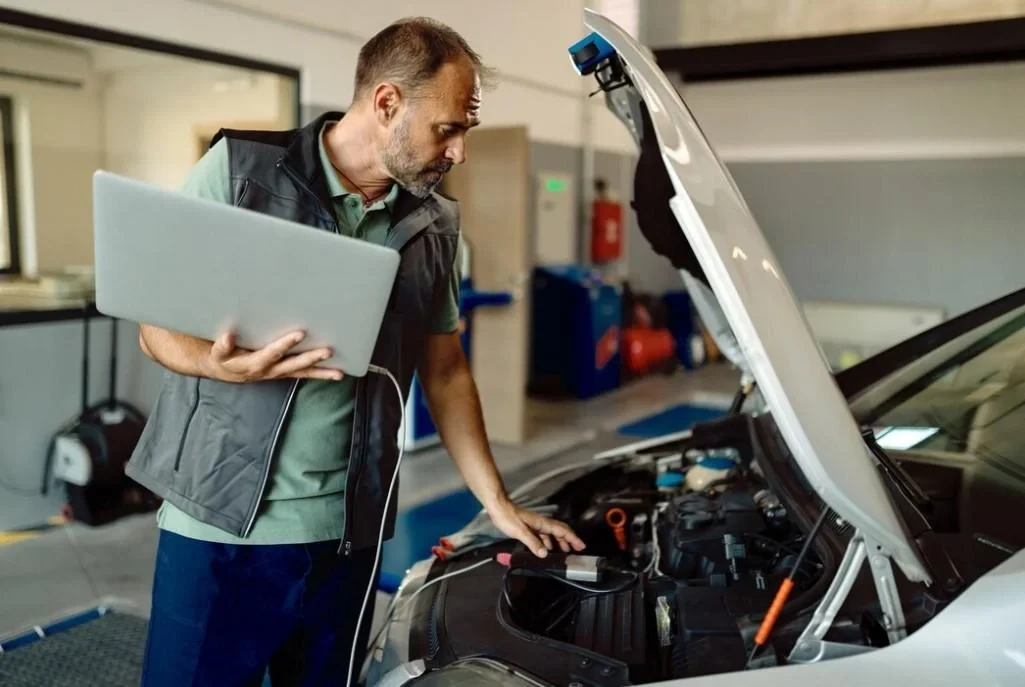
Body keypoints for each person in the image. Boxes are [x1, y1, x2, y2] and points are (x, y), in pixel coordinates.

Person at [129, 16, 585, 687]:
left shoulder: (433, 224)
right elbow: (155, 325)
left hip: (349, 535)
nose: (458, 152)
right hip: (221, 528)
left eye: (466, 131)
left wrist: (496, 501)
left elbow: (446, 369)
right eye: (448, 128)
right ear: (386, 103)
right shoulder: (240, 170)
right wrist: (213, 363)